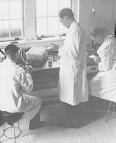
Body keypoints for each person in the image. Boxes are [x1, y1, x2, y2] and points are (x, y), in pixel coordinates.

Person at [0, 44, 44, 130]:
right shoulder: (18, 70)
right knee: (39, 100)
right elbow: (29, 88)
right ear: (17, 54)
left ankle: (17, 117)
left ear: (6, 54)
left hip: (1, 105)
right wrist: (28, 73)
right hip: (15, 106)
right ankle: (32, 123)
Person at [58, 8, 88, 107]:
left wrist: (58, 49)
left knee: (72, 95)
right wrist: (62, 48)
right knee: (73, 95)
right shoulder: (77, 29)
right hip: (73, 67)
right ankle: (73, 118)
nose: (62, 24)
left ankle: (72, 121)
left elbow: (73, 54)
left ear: (67, 18)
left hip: (73, 68)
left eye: (62, 21)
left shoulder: (75, 31)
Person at [88, 27, 116, 102]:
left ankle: (100, 106)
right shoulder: (112, 40)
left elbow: (106, 67)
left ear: (99, 36)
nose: (94, 43)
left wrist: (98, 62)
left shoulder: (106, 46)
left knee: (90, 85)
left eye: (95, 40)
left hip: (113, 72)